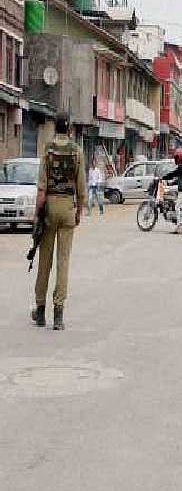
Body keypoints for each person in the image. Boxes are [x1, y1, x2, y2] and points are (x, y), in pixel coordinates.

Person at [32, 114, 86, 331]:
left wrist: (37, 215)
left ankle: (40, 310)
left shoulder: (48, 149)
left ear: (55, 128)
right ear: (70, 129)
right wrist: (79, 211)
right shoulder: (77, 151)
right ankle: (59, 315)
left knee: (45, 261)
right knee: (63, 262)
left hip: (50, 208)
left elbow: (42, 189)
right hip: (68, 209)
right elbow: (81, 187)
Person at [162, 147, 182, 234]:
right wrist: (171, 183)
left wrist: (163, 177)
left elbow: (174, 173)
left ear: (180, 157)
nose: (175, 159)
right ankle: (177, 223)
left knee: (177, 207)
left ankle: (180, 226)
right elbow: (179, 178)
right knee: (172, 197)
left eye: (176, 157)